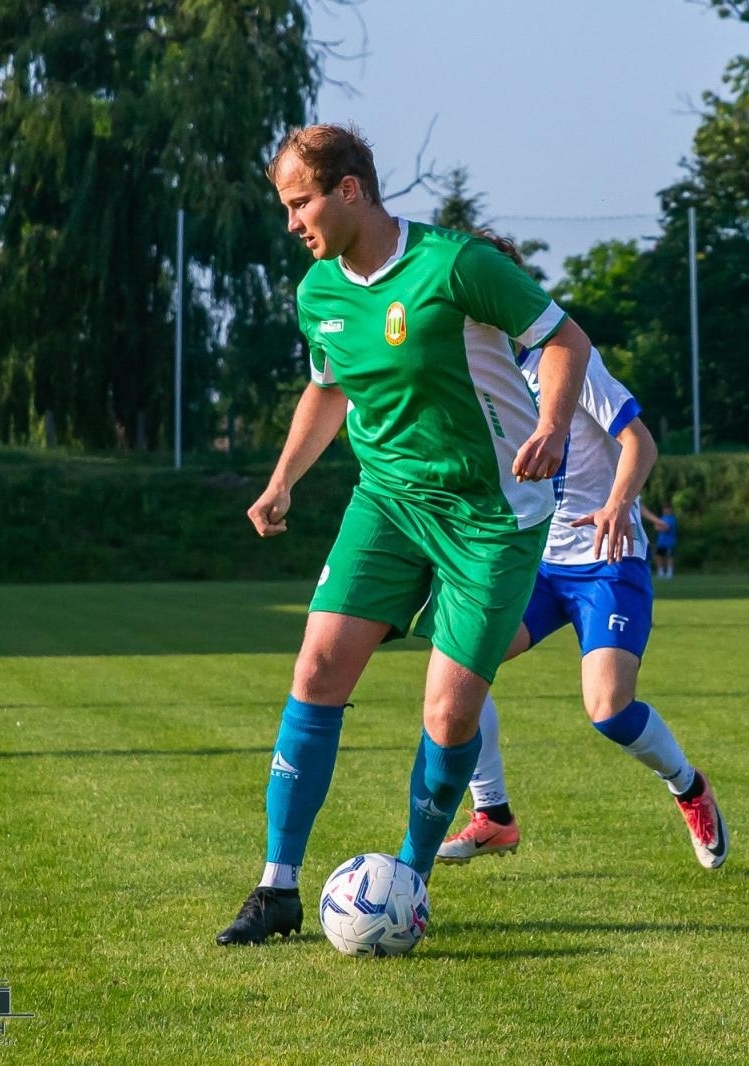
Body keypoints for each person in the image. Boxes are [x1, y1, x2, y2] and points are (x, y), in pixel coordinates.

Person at [216, 123, 592, 946]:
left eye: (299, 202)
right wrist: (283, 481)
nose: (292, 224)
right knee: (316, 665)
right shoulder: (319, 292)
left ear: (349, 189)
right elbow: (329, 389)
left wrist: (557, 425)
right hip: (387, 500)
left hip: (493, 518)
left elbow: (565, 339)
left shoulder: (456, 266)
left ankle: (409, 882)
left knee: (451, 712)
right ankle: (277, 886)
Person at [436, 345, 727, 869]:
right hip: (536, 562)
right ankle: (493, 815)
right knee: (459, 666)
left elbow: (640, 442)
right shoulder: (480, 371)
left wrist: (617, 504)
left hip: (606, 560)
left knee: (610, 710)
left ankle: (688, 787)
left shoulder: (571, 361)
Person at [643, 502, 679, 579]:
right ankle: (661, 571)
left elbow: (666, 528)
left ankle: (669, 572)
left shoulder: (672, 519)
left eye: (667, 509)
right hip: (661, 542)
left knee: (669, 557)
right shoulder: (662, 518)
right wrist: (661, 527)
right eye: (665, 509)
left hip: (669, 542)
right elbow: (656, 527)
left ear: (670, 510)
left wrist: (661, 527)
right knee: (659, 556)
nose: (666, 511)